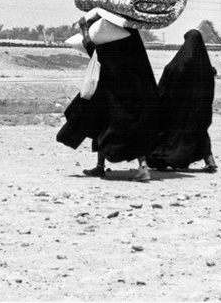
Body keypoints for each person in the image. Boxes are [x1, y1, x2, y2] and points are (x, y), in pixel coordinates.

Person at [56, 15, 162, 182]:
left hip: (116, 94)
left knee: (106, 125)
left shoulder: (114, 40)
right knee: (116, 127)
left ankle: (140, 169)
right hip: (135, 93)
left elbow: (93, 49)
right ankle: (105, 167)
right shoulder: (131, 40)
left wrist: (84, 29)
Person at [147, 29, 218, 172]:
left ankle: (167, 159)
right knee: (199, 132)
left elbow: (165, 85)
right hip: (198, 110)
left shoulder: (177, 64)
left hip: (177, 109)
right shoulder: (206, 69)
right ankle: (210, 160)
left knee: (171, 133)